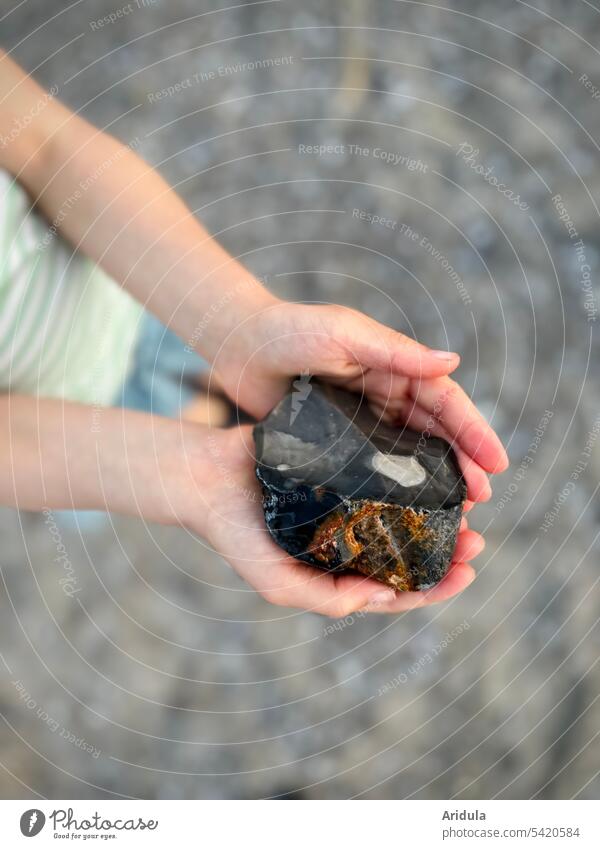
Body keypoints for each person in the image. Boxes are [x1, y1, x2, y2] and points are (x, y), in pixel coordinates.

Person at [0, 51, 508, 617]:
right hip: (67, 432)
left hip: (130, 289)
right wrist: (192, 475)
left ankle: (252, 424)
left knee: (258, 403)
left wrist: (243, 327)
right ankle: (238, 431)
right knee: (219, 426)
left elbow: (47, 146)